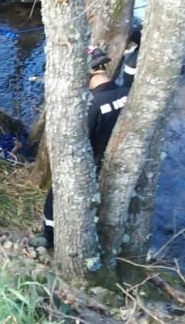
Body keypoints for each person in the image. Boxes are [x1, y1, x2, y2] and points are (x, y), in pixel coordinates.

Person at [40, 47, 129, 249]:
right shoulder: (126, 94)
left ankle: (49, 236)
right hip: (117, 165)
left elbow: (79, 144)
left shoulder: (91, 105)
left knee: (55, 195)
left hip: (93, 164)